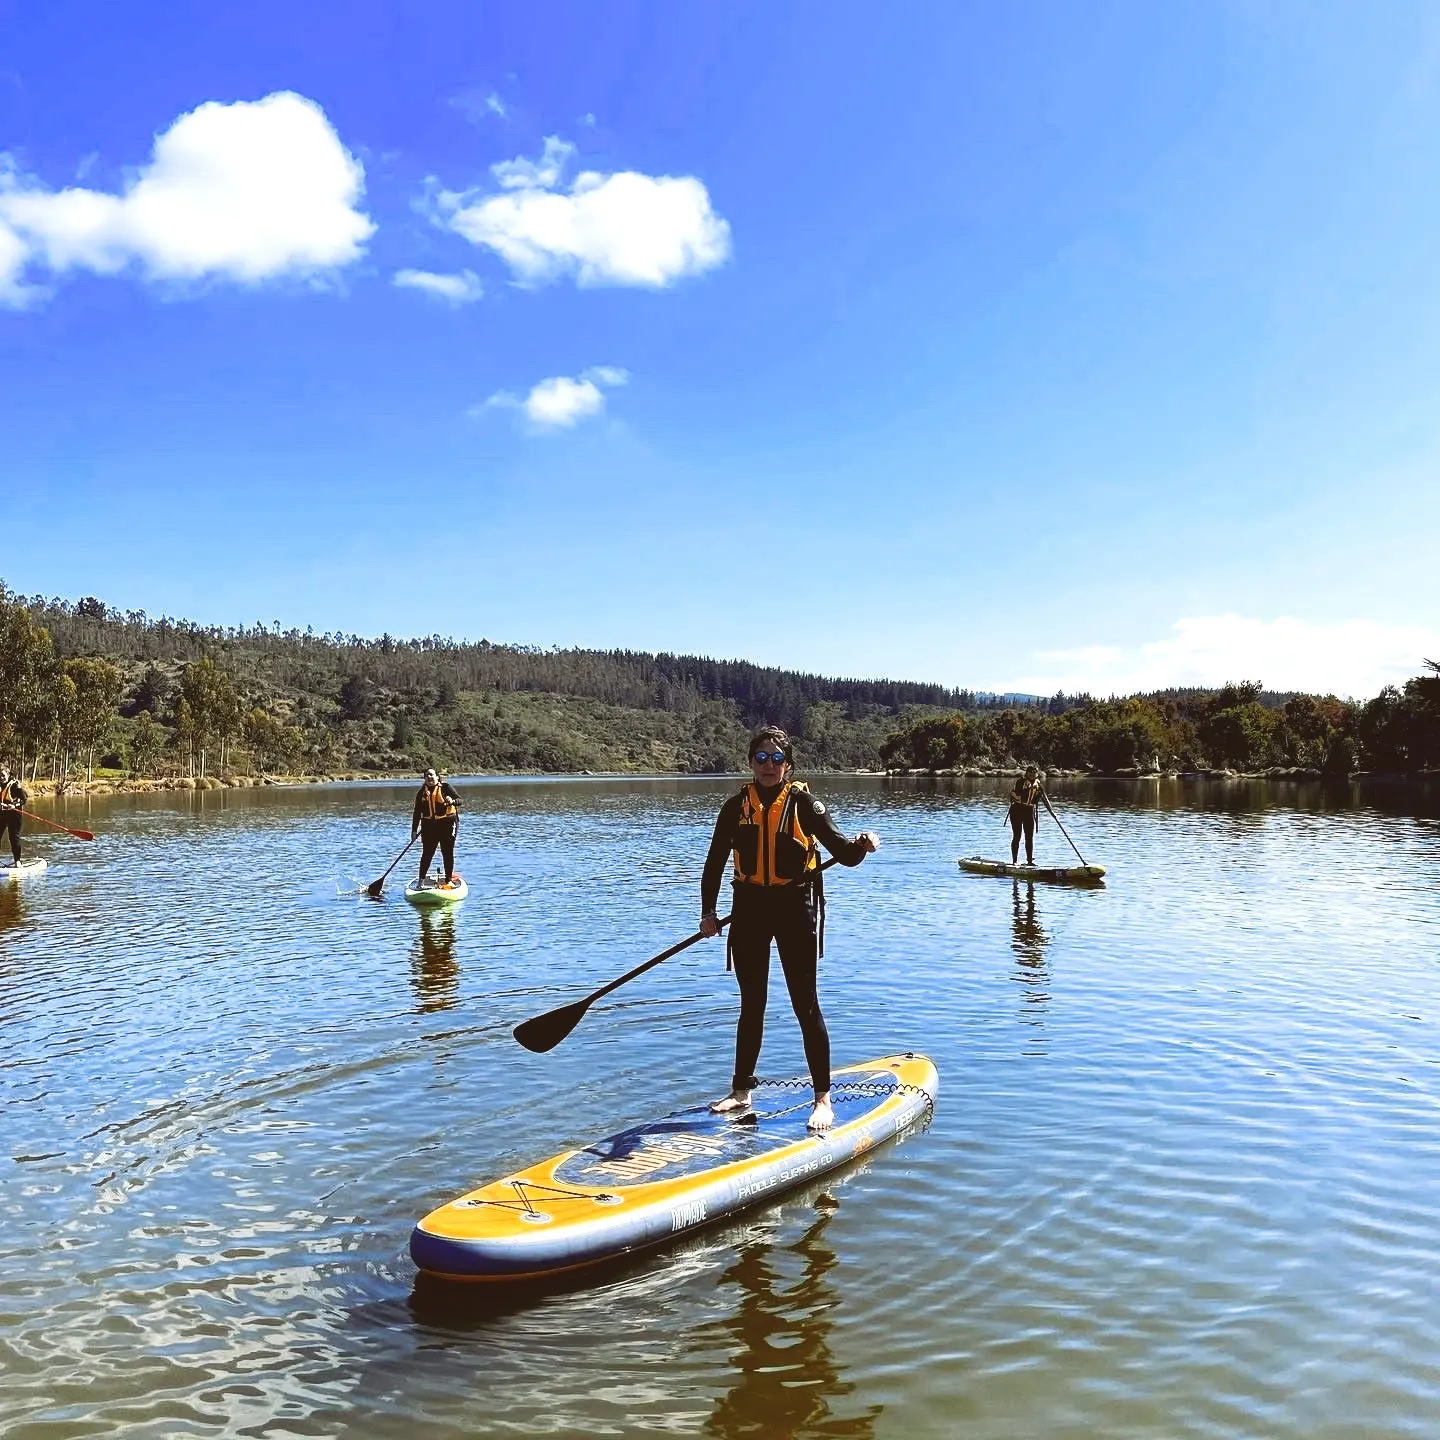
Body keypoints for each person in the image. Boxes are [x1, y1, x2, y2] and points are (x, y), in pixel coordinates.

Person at [700, 726, 879, 1133]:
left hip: (793, 910)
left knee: (805, 1005)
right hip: (748, 911)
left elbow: (844, 853)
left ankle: (823, 1098)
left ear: (788, 765)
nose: (768, 765)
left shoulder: (804, 805)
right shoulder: (734, 807)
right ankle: (741, 1091)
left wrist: (863, 844)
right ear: (750, 763)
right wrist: (708, 912)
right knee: (752, 1004)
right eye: (761, 758)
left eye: (776, 758)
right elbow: (713, 864)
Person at [411, 767, 461, 887]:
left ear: (437, 777)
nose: (429, 777)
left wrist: (452, 801)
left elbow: (459, 800)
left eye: (431, 774)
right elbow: (417, 813)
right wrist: (414, 831)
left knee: (447, 852)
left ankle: (448, 880)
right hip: (429, 826)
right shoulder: (421, 793)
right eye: (426, 775)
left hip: (448, 824)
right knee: (427, 854)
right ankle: (421, 882)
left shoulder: (445, 788)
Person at [1008, 763, 1043, 866]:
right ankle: (1014, 861)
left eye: (1034, 773)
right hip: (1017, 811)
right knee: (1017, 836)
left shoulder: (1038, 784)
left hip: (1029, 811)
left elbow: (1041, 797)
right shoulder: (1021, 782)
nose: (1032, 774)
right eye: (1030, 772)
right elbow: (1016, 795)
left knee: (1029, 837)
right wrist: (1028, 790)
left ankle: (1029, 861)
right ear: (1027, 773)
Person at [0, 765, 27, 867]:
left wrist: (14, 805)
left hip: (14, 815)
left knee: (13, 837)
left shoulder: (14, 785)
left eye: (3, 775)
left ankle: (17, 861)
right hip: (2, 814)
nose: (1, 778)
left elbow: (24, 799)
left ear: (8, 775)